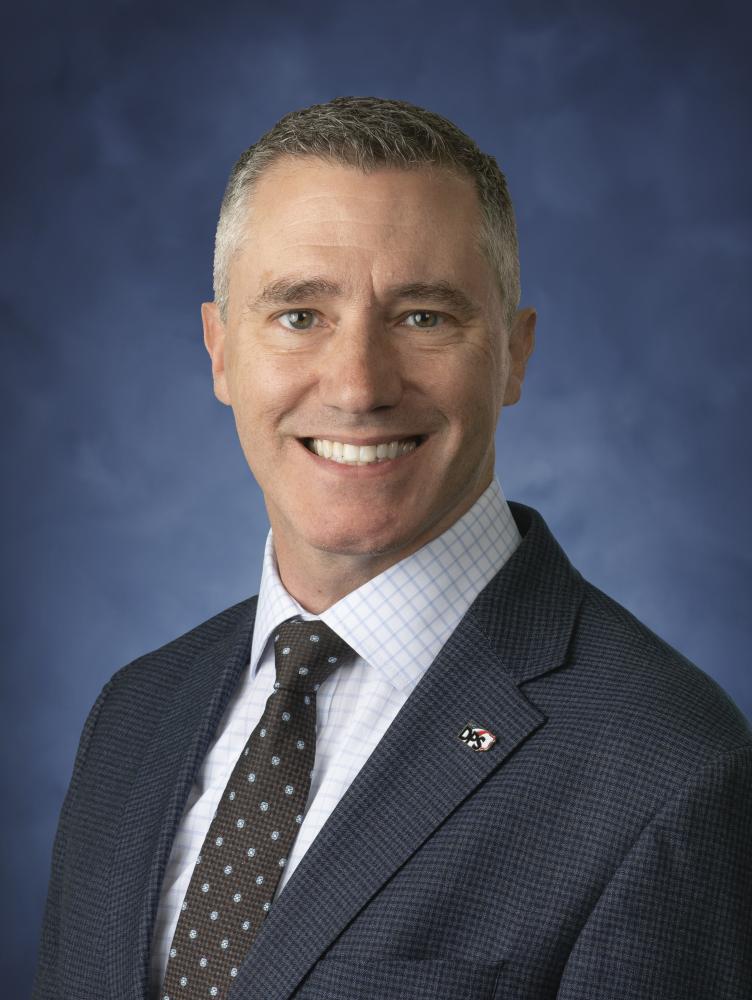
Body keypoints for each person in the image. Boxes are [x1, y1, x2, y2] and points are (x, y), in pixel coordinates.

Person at [33, 96, 751, 1000]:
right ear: (220, 351)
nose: (359, 385)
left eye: (423, 317)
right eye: (299, 314)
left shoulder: (667, 770)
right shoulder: (135, 713)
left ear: (515, 356)